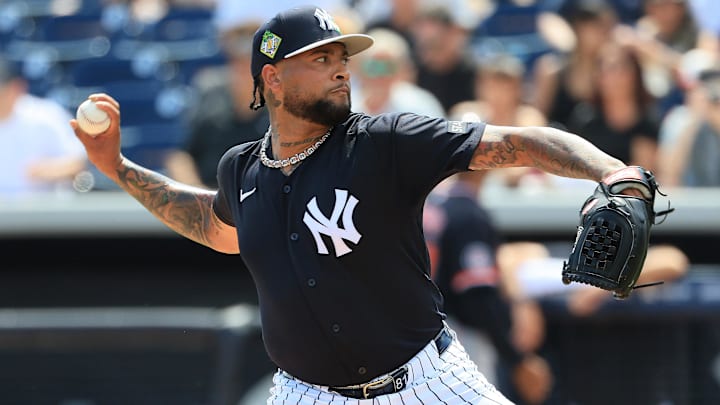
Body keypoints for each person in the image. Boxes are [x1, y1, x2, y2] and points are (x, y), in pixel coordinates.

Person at [71, 5, 655, 404]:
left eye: (340, 57)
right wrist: (117, 168)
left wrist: (613, 171)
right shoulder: (241, 169)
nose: (340, 69)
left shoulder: (384, 141)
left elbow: (515, 141)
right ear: (272, 79)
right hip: (305, 392)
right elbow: (218, 228)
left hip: (425, 380)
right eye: (320, 59)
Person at [423, 171, 553, 405]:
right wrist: (517, 359)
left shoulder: (430, 203)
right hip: (456, 338)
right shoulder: (466, 213)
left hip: (416, 340)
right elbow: (478, 299)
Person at [0, 55, 87, 197]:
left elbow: (78, 163)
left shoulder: (45, 115)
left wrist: (48, 170)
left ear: (16, 87)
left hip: (42, 213)